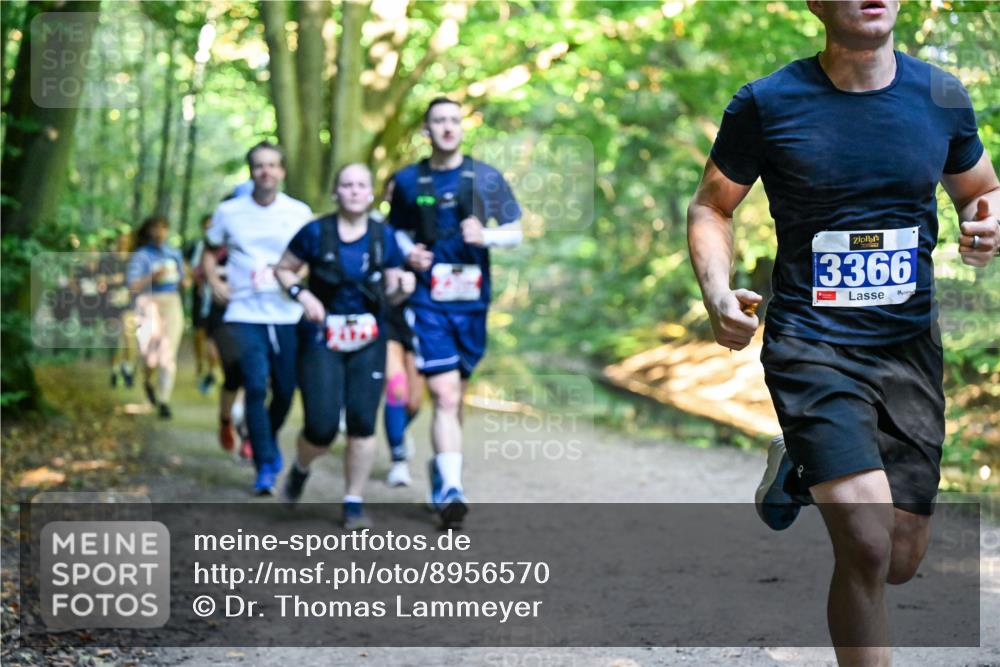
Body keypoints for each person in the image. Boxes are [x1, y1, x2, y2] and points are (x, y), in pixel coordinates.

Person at [686, 1, 999, 663]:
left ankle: (800, 466)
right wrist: (718, 293)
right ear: (816, 4)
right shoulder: (767, 103)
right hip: (812, 344)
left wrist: (986, 220)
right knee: (867, 540)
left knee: (903, 556)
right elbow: (713, 206)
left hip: (908, 348)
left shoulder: (941, 95)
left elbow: (982, 189)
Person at [389, 97, 523, 525]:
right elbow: (394, 232)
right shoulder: (409, 180)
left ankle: (440, 469)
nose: (446, 128)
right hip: (428, 301)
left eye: (453, 121)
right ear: (426, 131)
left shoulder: (486, 177)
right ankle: (452, 489)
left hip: (472, 303)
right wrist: (410, 254)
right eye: (438, 122)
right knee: (444, 395)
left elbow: (515, 233)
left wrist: (486, 236)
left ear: (462, 128)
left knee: (455, 397)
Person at [275, 163, 414, 529]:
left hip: (368, 340)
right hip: (322, 337)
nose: (354, 191)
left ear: (371, 194)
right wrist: (301, 294)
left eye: (361, 185)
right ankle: (301, 468)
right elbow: (284, 269)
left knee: (362, 423)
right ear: (336, 192)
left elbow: (393, 295)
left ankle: (353, 500)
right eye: (346, 185)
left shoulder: (385, 238)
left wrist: (403, 288)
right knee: (321, 427)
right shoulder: (315, 232)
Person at [203, 141, 313, 494]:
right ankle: (264, 464)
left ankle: (264, 433)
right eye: (259, 166)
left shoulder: (298, 212)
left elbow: (309, 257)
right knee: (254, 384)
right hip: (244, 312)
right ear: (251, 172)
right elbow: (208, 250)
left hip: (285, 312)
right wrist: (214, 279)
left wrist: (295, 279)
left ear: (281, 171)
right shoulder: (230, 212)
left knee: (284, 390)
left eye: (272, 165)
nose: (266, 171)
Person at [381, 178, 425, 488]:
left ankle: (398, 429)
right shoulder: (380, 232)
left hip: (424, 320)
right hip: (390, 318)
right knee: (396, 389)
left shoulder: (433, 229)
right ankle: (398, 461)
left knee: (414, 402)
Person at [126, 215, 188, 419]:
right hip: (148, 302)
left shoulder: (174, 254)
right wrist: (152, 277)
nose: (159, 232)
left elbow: (183, 279)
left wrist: (185, 280)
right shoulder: (141, 256)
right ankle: (147, 381)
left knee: (168, 353)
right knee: (150, 355)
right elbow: (132, 285)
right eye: (155, 228)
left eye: (163, 228)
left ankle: (164, 400)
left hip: (171, 301)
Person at [188, 214, 222, 395]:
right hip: (201, 297)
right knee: (200, 334)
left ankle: (212, 370)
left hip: (217, 298)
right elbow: (190, 268)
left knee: (213, 336)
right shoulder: (197, 246)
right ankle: (201, 366)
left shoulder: (226, 245)